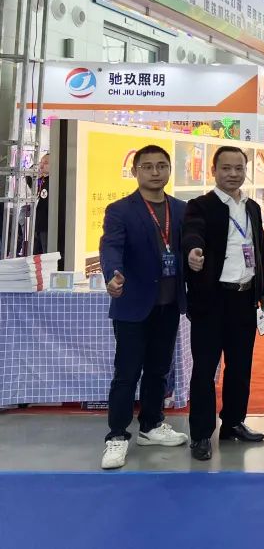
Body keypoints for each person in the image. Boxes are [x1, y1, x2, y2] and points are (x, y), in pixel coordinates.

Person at [99, 145, 188, 470]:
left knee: (158, 370)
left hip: (168, 304)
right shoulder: (121, 210)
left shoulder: (181, 209)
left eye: (161, 166)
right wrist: (112, 274)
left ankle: (151, 425)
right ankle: (117, 436)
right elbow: (111, 246)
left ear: (169, 170)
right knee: (126, 373)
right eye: (147, 166)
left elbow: (190, 246)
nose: (155, 172)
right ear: (135, 171)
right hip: (133, 304)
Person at [182, 146, 264, 461]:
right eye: (226, 168)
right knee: (205, 370)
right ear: (213, 171)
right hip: (211, 300)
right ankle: (201, 434)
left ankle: (233, 423)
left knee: (240, 367)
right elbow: (192, 234)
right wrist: (193, 252)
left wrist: (263, 290)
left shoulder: (252, 208)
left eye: (238, 168)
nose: (233, 174)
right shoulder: (200, 206)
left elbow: (259, 250)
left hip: (244, 298)